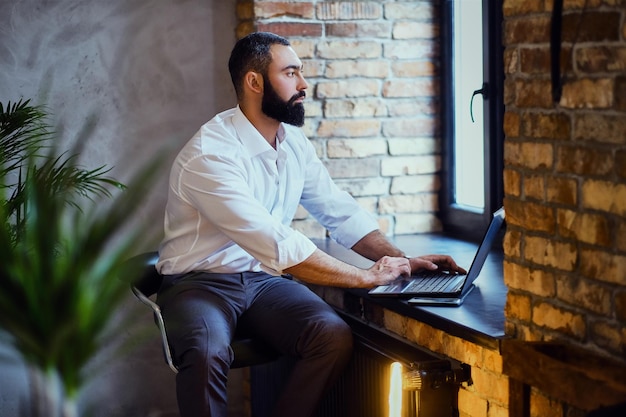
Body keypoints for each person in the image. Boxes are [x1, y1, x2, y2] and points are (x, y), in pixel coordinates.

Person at [156, 32, 466, 417]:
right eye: (290, 73)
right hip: (199, 283)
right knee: (206, 352)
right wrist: (365, 277)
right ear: (255, 82)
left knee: (332, 337)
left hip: (261, 280)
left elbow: (338, 211)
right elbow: (276, 242)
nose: (303, 84)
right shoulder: (210, 155)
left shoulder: (293, 142)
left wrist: (401, 260)